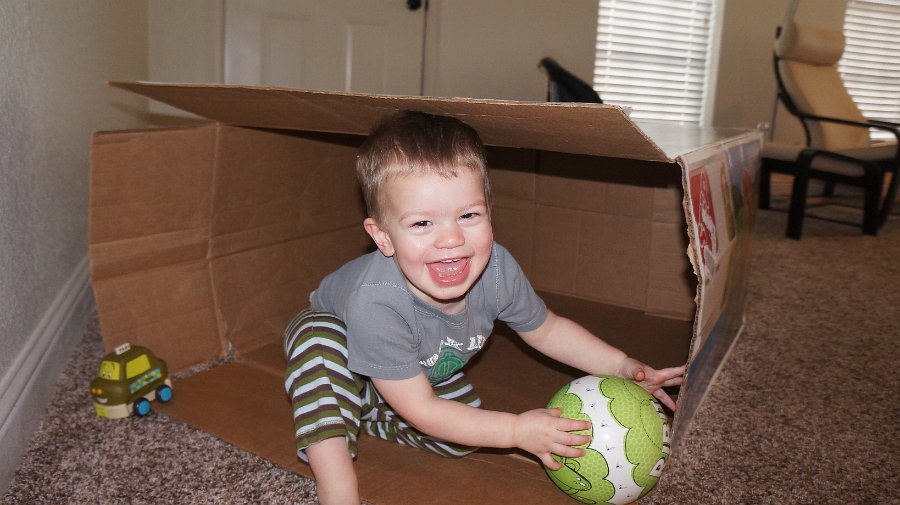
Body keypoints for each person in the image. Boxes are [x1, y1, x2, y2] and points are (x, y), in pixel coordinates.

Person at [284, 110, 685, 504]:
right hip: (339, 346)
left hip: (414, 370)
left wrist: (619, 365)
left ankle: (371, 412)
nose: (451, 239)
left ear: (490, 212)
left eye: (468, 215)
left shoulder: (497, 271)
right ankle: (338, 484)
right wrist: (515, 431)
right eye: (422, 223)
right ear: (383, 237)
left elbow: (548, 330)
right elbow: (424, 409)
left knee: (465, 434)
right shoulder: (376, 302)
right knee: (320, 346)